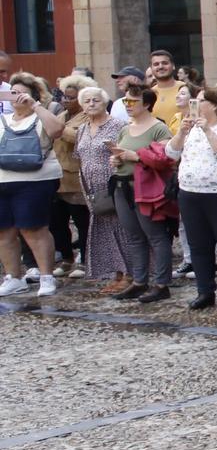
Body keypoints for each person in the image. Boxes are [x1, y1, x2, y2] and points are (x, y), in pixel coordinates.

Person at [166, 83, 217, 311]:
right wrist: (182, 132)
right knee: (199, 245)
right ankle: (205, 291)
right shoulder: (190, 128)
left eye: (200, 101)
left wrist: (208, 131)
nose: (195, 105)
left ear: (213, 105)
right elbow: (171, 154)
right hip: (191, 193)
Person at [0, 73, 68, 299]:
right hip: (3, 180)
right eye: (14, 92)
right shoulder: (3, 120)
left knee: (33, 228)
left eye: (23, 93)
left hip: (35, 180)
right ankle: (13, 277)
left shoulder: (42, 116)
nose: (18, 97)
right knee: (4, 231)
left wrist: (35, 106)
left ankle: (47, 276)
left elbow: (57, 130)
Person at [108, 87, 174, 302]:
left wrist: (134, 156)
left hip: (146, 188)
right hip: (122, 186)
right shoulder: (126, 129)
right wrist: (117, 159)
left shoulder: (159, 128)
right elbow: (122, 152)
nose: (128, 105)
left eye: (133, 101)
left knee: (155, 235)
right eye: (126, 101)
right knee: (134, 236)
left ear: (146, 104)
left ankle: (162, 283)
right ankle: (139, 281)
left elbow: (165, 158)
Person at [64, 86, 128, 291]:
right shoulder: (82, 128)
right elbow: (80, 156)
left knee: (121, 228)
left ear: (105, 103)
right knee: (104, 229)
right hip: (90, 187)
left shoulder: (118, 125)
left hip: (111, 184)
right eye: (87, 101)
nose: (91, 104)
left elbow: (124, 152)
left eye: (96, 100)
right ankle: (115, 273)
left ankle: (129, 274)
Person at [51, 76, 90, 279]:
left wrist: (59, 129)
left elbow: (76, 137)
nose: (66, 101)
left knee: (81, 221)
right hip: (56, 176)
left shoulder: (87, 117)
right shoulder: (62, 115)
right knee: (57, 221)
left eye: (71, 98)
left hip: (75, 178)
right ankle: (67, 258)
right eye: (64, 97)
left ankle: (84, 259)